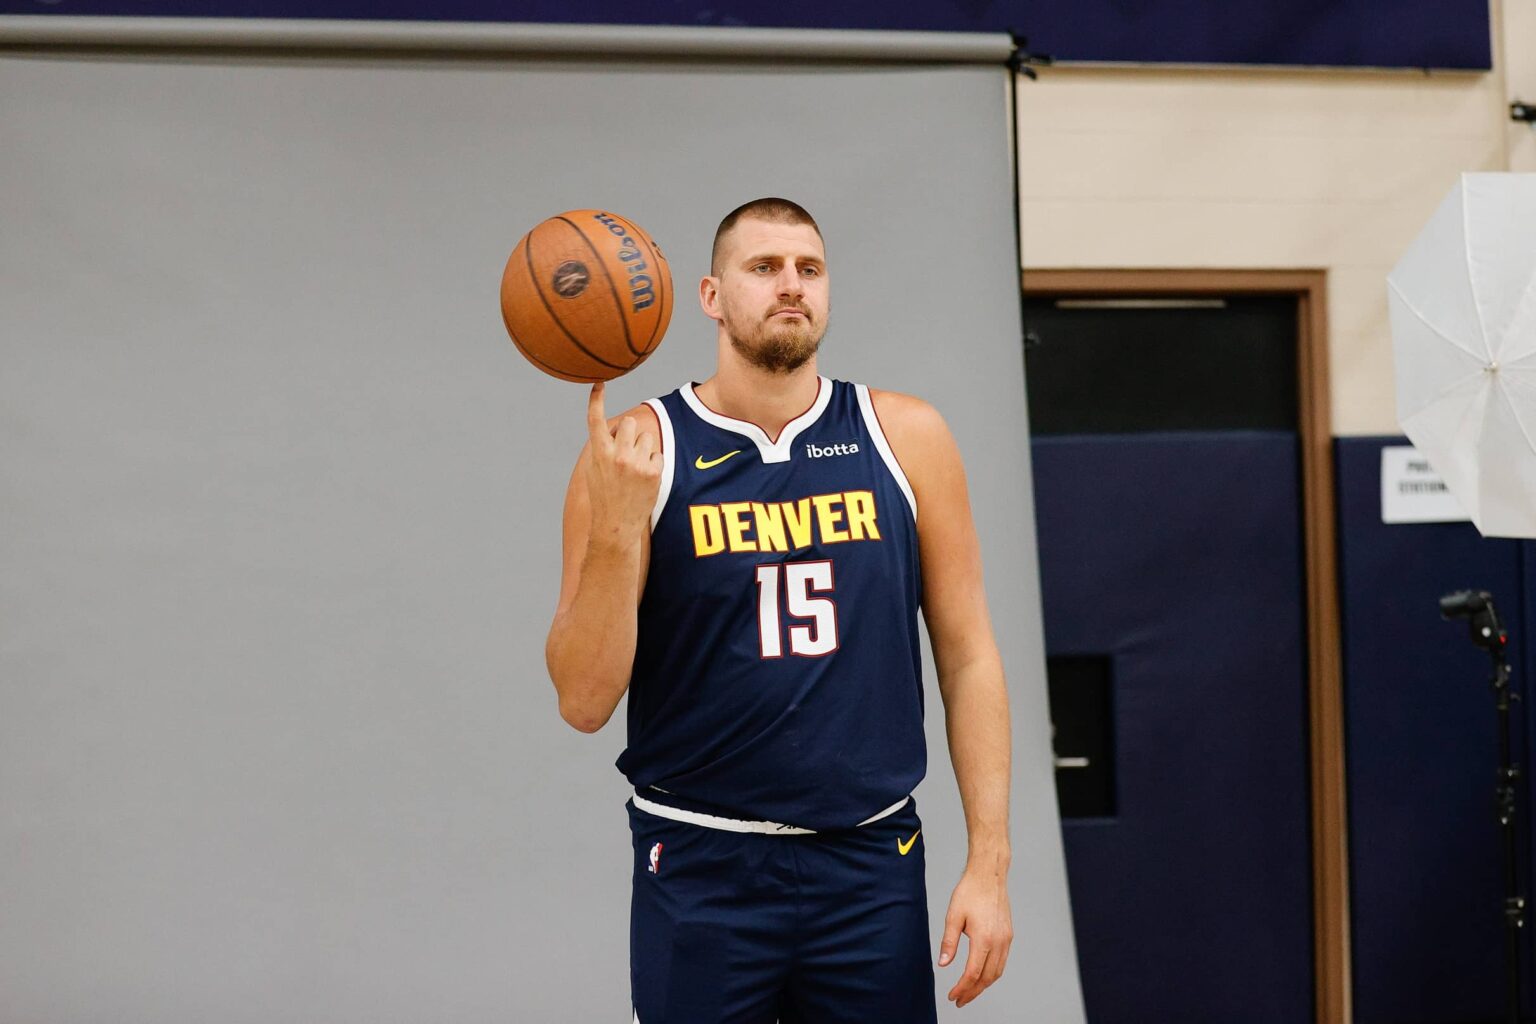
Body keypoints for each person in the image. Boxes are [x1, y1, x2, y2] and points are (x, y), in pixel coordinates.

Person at [546, 198, 1013, 1022]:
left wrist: (990, 863)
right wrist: (620, 531)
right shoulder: (632, 454)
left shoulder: (905, 437)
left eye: (809, 269)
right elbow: (583, 702)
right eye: (763, 268)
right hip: (700, 865)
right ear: (710, 295)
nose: (790, 286)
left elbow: (969, 651)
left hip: (870, 864)